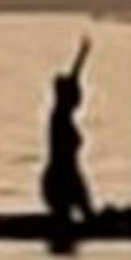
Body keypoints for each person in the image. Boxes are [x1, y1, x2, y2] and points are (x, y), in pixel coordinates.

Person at [39, 38, 95, 235]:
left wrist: (82, 56)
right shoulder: (59, 116)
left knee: (87, 217)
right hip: (61, 181)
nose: (81, 99)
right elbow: (70, 84)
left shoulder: (63, 116)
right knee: (83, 221)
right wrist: (81, 57)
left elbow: (72, 81)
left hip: (69, 178)